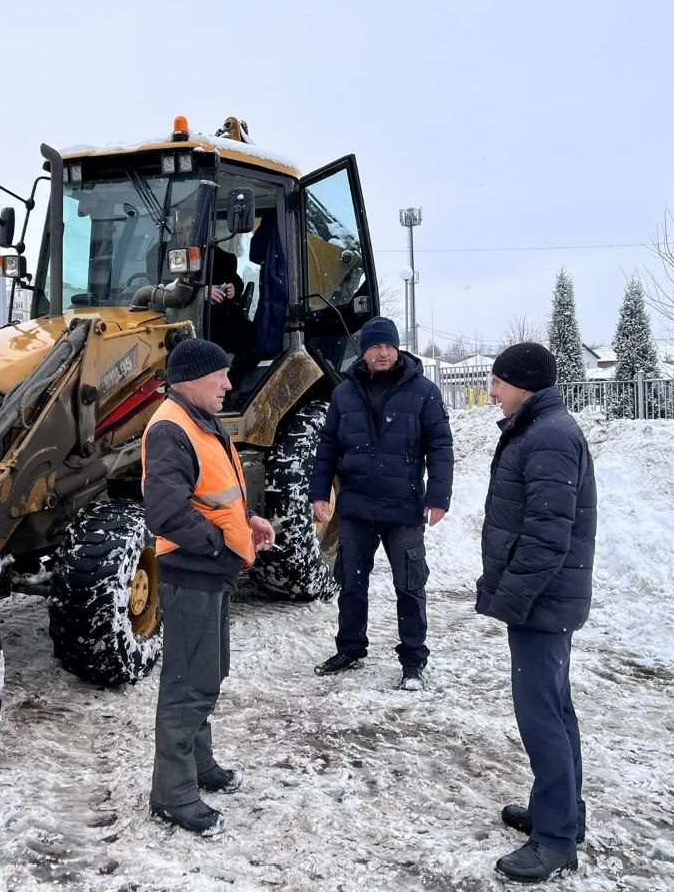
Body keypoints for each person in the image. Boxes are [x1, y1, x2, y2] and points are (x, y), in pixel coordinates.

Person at [142, 338, 276, 837]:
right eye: (220, 375)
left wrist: (247, 523)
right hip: (193, 575)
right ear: (192, 378)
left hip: (211, 572)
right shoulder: (171, 428)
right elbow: (166, 512)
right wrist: (221, 545)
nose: (227, 383)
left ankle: (200, 766)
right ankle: (172, 795)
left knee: (208, 672)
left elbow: (210, 496)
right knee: (187, 685)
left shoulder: (200, 422)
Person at [479, 342, 597, 883]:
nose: (494, 391)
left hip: (541, 601)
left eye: (499, 382)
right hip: (546, 599)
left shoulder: (547, 434)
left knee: (541, 716)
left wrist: (514, 597)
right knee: (555, 707)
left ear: (522, 384)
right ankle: (563, 813)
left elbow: (547, 537)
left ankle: (554, 840)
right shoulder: (540, 426)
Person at [308, 316, 454, 690]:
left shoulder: (423, 391)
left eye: (389, 346)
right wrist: (319, 492)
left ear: (397, 348)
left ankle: (413, 658)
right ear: (365, 350)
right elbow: (328, 447)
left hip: (404, 508)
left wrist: (438, 495)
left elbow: (440, 445)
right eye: (375, 346)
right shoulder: (345, 393)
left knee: (409, 584)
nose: (383, 353)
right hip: (356, 508)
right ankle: (351, 647)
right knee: (351, 583)